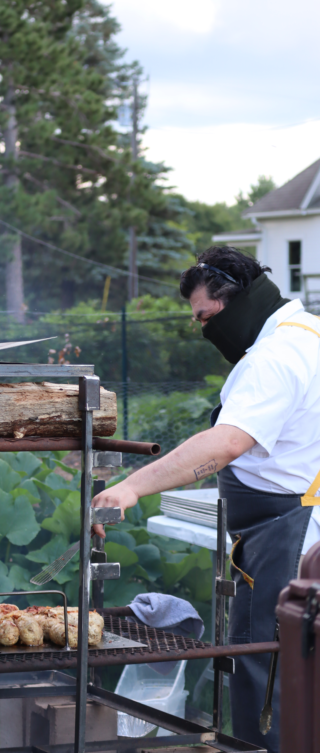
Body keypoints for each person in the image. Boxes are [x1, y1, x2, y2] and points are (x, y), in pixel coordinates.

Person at [92, 246, 320, 753]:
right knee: (292, 664)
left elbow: (227, 443)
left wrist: (131, 486)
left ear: (236, 299)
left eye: (207, 316)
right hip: (284, 529)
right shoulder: (308, 334)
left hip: (288, 534)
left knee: (270, 670)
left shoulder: (274, 357)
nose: (204, 330)